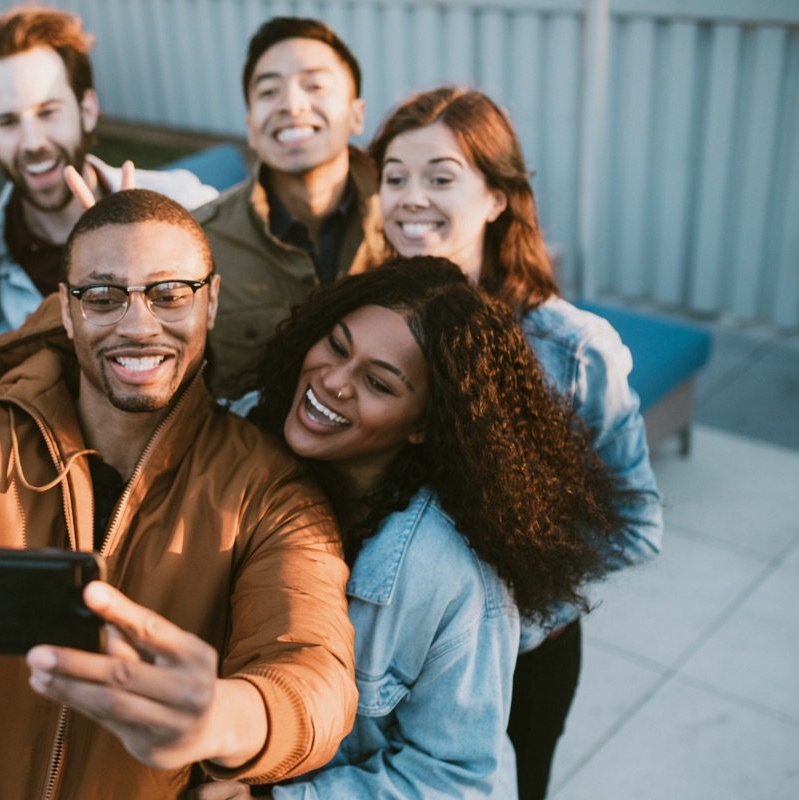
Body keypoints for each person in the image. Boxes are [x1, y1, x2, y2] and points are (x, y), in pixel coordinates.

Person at [0, 189, 357, 799]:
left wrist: (227, 716)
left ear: (212, 302)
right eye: (103, 297)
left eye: (170, 294)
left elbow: (316, 675)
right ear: (66, 311)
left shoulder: (272, 490)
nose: (139, 325)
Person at [194, 257, 626, 799]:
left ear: (425, 423)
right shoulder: (246, 425)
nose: (332, 382)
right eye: (335, 344)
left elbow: (455, 780)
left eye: (378, 382)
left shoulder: (448, 572)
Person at [367, 86, 664, 799]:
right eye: (395, 176)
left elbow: (638, 524)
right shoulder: (367, 319)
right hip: (385, 655)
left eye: (441, 177)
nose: (412, 197)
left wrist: (512, 593)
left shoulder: (575, 349)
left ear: (498, 197)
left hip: (526, 659)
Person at [0, 4, 218, 333]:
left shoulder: (185, 205)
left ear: (88, 109)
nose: (33, 142)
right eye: (7, 122)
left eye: (47, 112)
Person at [194, 16, 389, 398]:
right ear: (251, 126)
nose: (292, 105)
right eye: (269, 92)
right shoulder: (200, 245)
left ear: (356, 114)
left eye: (314, 85)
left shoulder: (404, 219)